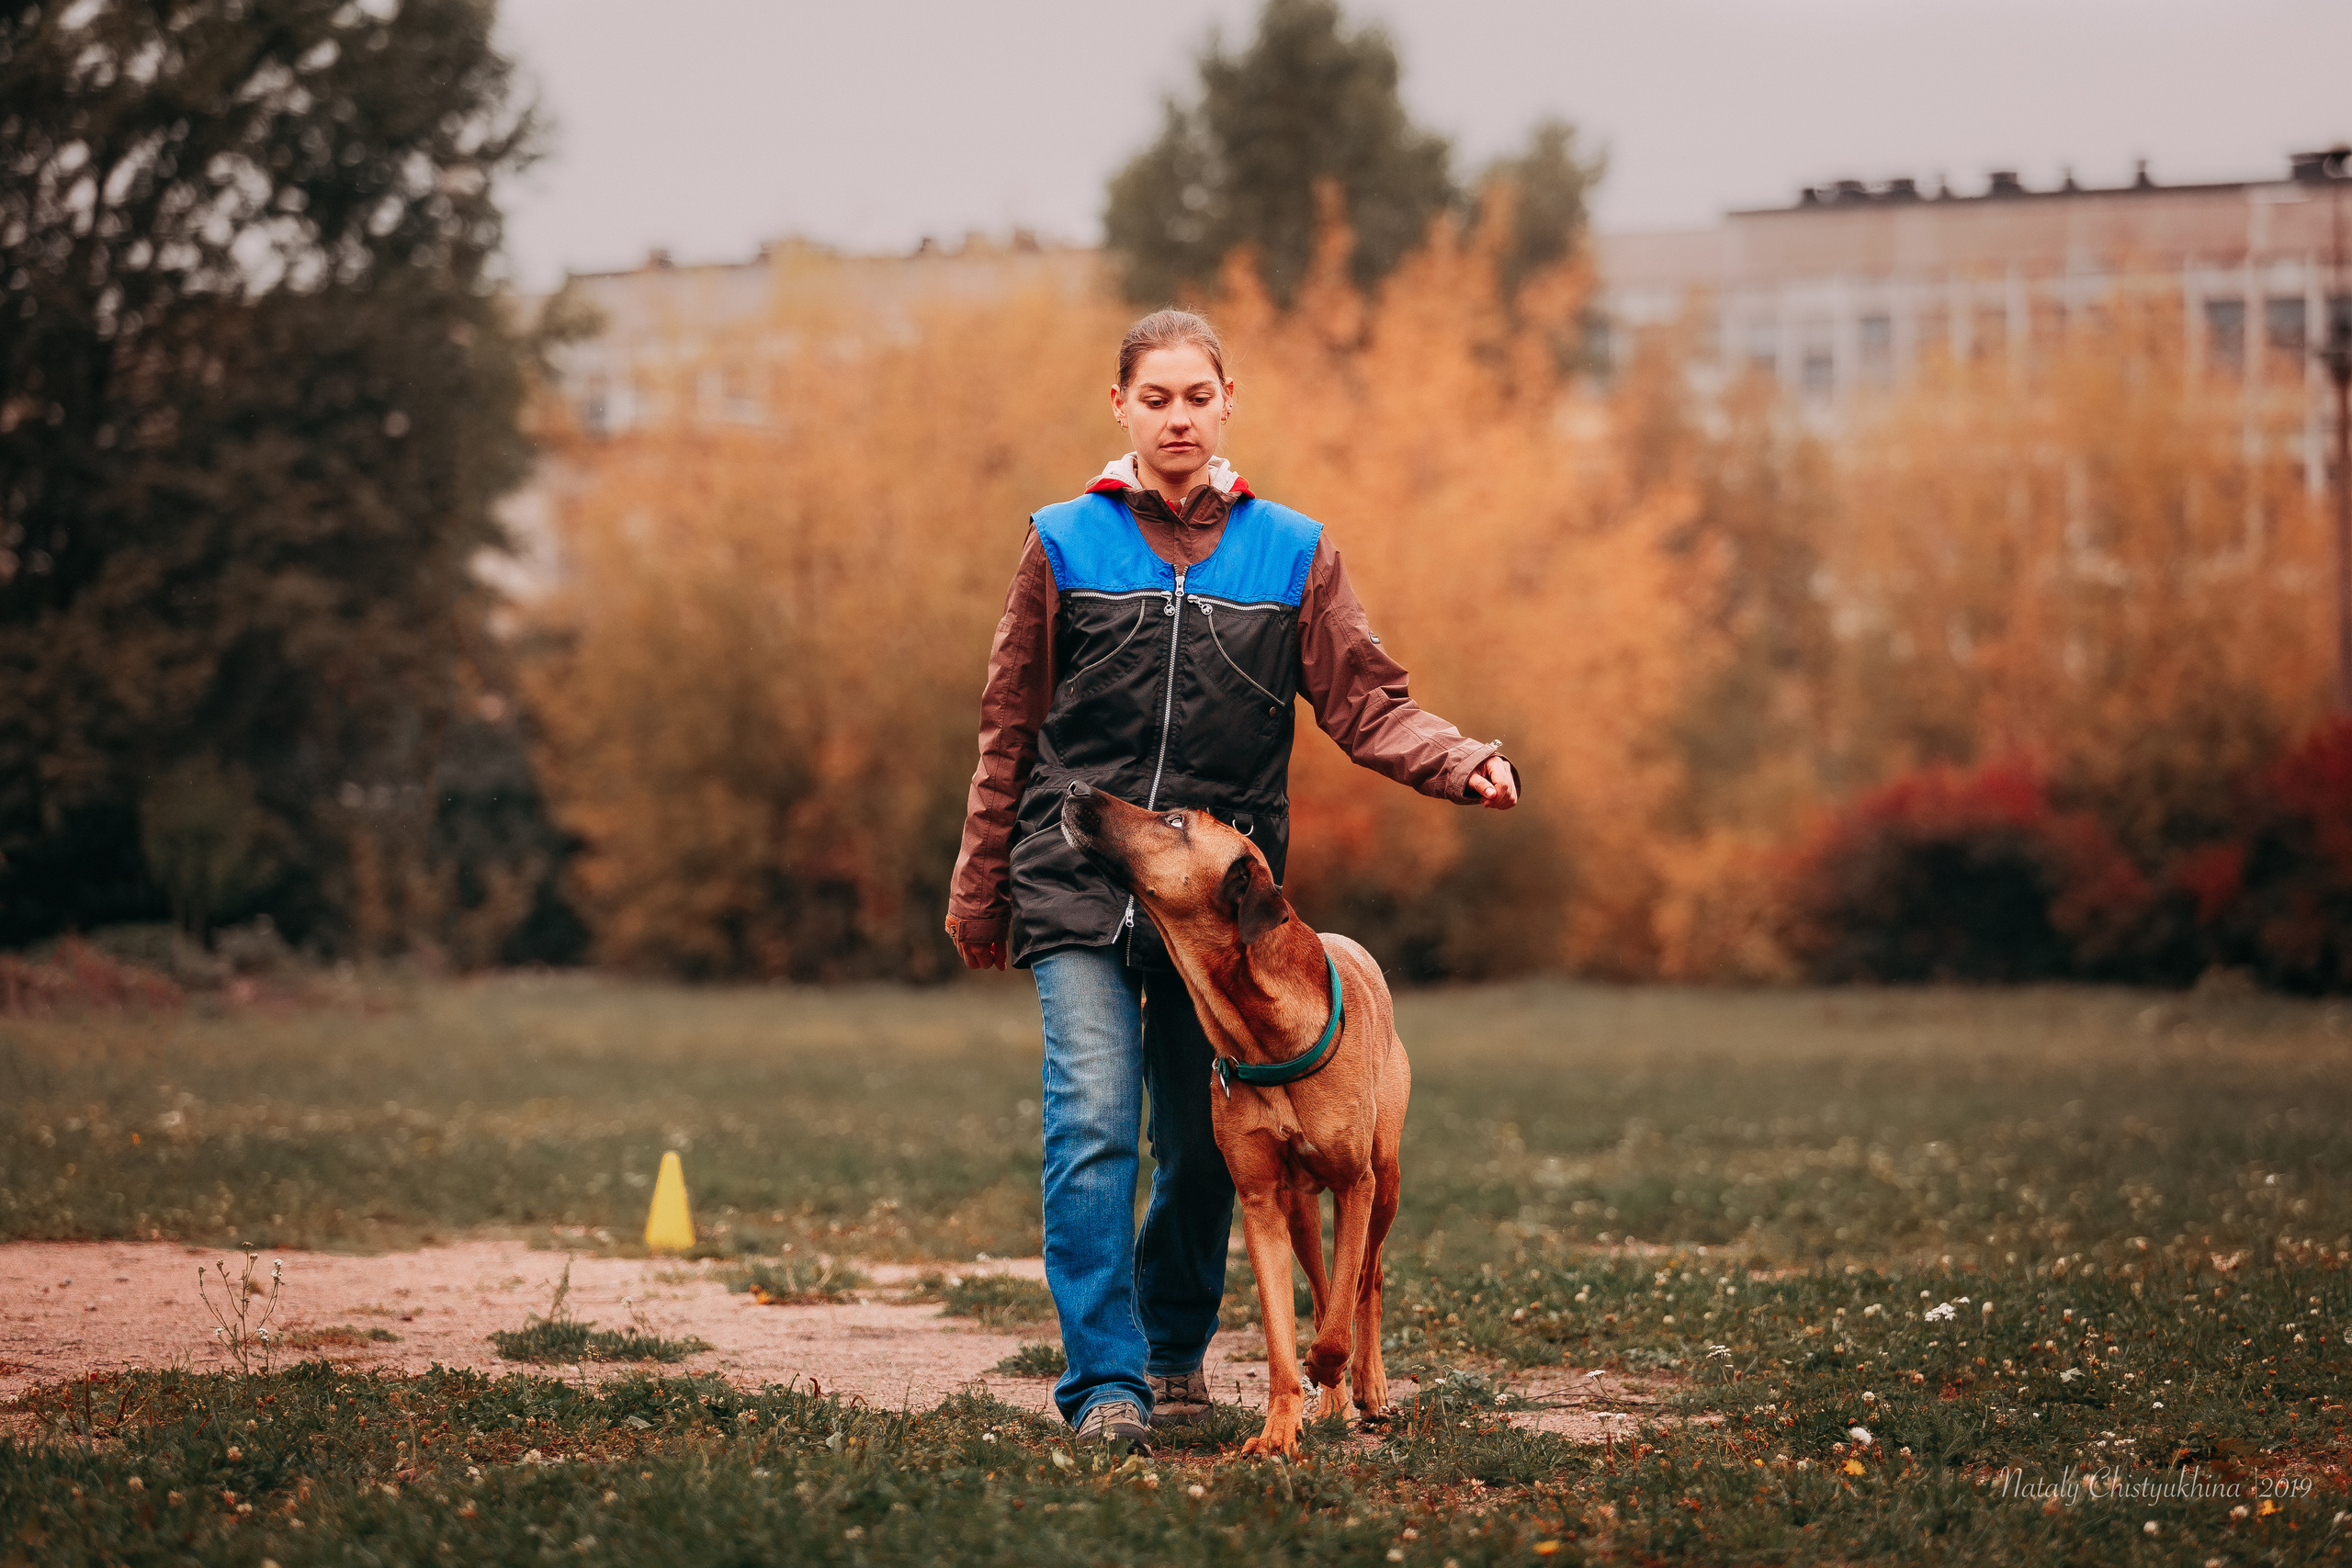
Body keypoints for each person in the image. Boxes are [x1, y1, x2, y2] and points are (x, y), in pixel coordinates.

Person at [945, 309, 1518, 1453]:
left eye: (1194, 397)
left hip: (1221, 919)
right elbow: (1009, 724)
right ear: (1120, 407)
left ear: (1225, 404)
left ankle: (1171, 1349)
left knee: (1206, 1148)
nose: (1175, 417)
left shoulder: (1290, 549)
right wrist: (980, 886)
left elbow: (1366, 701)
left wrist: (1460, 759)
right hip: (1077, 886)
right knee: (1095, 1125)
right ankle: (1106, 1383)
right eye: (1153, 398)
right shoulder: (1060, 541)